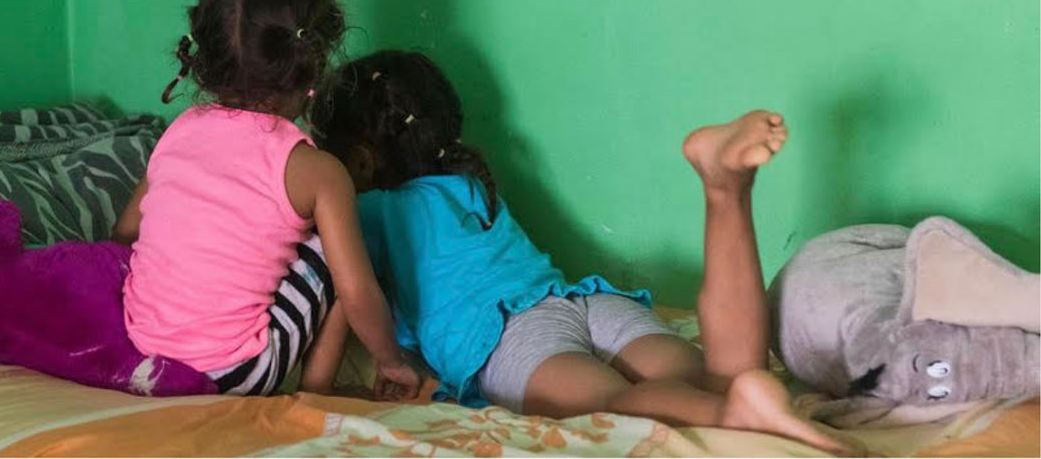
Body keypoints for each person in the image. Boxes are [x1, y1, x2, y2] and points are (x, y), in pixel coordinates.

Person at [312, 49, 854, 455]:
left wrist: (316, 389)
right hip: (585, 300)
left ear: (358, 161)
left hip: (510, 337)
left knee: (614, 405)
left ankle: (733, 411)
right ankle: (724, 192)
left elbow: (349, 290)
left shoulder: (371, 211)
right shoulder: (469, 184)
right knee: (716, 374)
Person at [112, 0, 420, 400]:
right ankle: (315, 392)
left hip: (143, 349)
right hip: (234, 372)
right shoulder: (319, 171)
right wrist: (391, 360)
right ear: (309, 65)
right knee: (341, 253)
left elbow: (124, 234)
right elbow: (357, 295)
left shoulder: (178, 130)